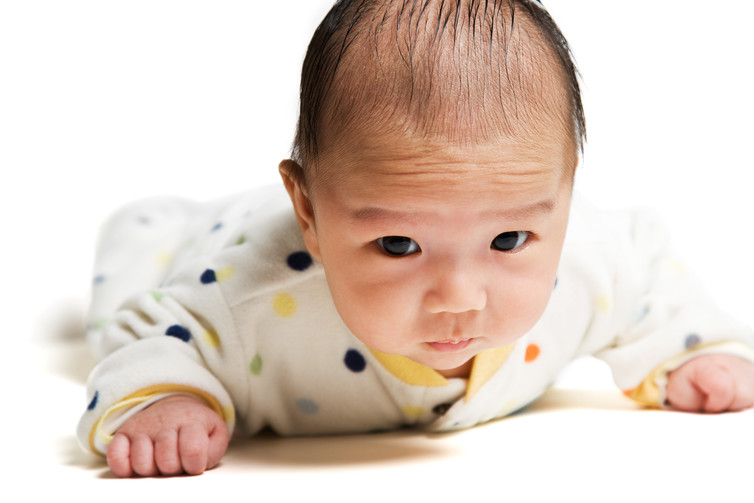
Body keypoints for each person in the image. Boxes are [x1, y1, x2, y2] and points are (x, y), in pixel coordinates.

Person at [77, 0, 754, 478]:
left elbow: (652, 278)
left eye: (510, 238)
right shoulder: (246, 302)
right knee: (142, 255)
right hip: (212, 235)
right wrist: (169, 396)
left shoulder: (590, 263)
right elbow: (153, 329)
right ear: (308, 210)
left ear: (567, 194)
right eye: (399, 245)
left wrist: (695, 352)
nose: (458, 297)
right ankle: (158, 224)